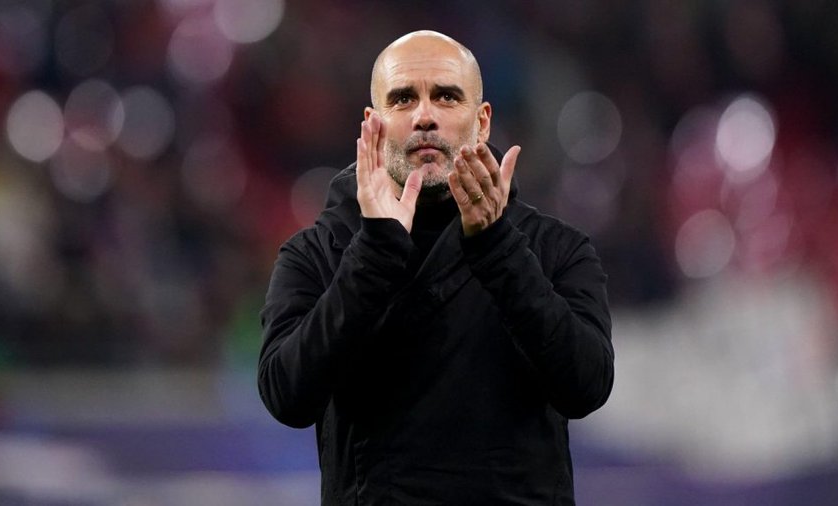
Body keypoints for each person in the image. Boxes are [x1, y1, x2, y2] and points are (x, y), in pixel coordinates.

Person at [259, 30, 614, 505]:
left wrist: (496, 247)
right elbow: (286, 397)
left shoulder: (557, 250)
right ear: (373, 124)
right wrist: (374, 254)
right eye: (403, 99)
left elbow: (586, 387)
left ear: (482, 121)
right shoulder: (316, 254)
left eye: (446, 96)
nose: (425, 116)